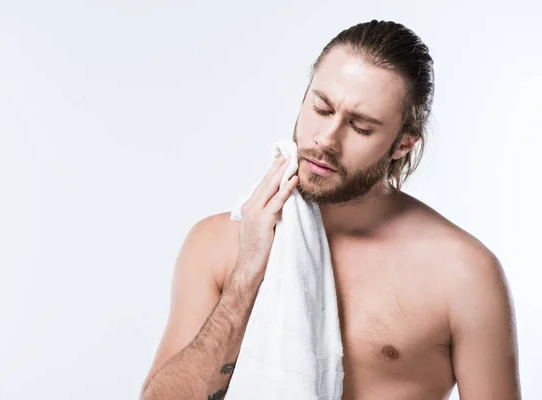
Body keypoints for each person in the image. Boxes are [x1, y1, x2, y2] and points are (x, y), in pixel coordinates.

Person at [140, 20, 521, 400]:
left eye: (360, 127)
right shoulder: (218, 243)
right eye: (321, 108)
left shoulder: (463, 275)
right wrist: (246, 277)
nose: (326, 139)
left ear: (402, 145)